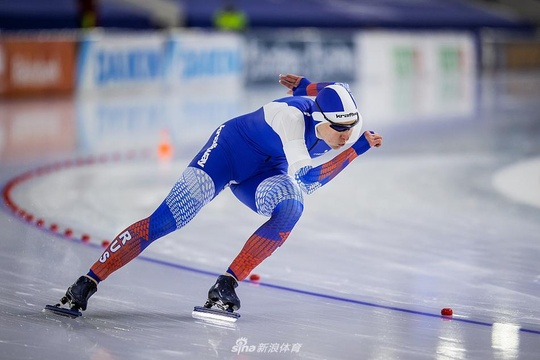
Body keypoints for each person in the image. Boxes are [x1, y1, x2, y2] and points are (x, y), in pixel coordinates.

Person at [57, 74, 383, 315]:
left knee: (291, 208)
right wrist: (357, 148)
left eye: (350, 129)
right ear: (317, 118)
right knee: (165, 222)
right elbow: (310, 179)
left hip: (265, 170)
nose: (345, 135)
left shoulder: (346, 114)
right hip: (227, 153)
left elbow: (332, 86)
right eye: (338, 130)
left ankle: (225, 284)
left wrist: (306, 85)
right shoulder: (292, 119)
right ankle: (86, 283)